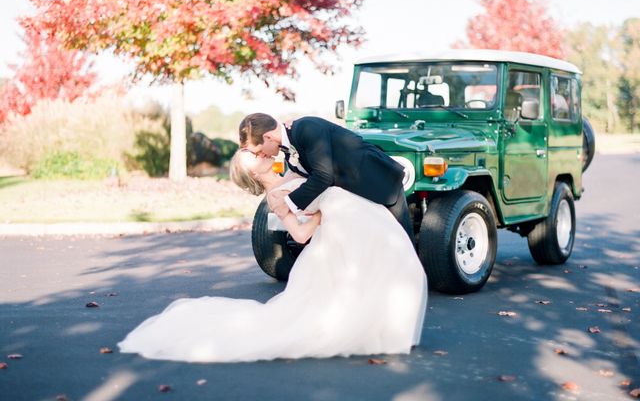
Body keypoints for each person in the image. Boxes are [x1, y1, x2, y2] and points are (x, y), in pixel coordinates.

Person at [117, 151, 427, 362]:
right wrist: (325, 214)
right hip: (343, 230)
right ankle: (379, 331)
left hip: (359, 221)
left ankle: (387, 325)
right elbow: (301, 235)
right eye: (253, 155)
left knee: (395, 270)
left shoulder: (292, 171)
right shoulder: (276, 197)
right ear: (251, 169)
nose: (261, 153)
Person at [238, 113, 414, 241]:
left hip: (378, 181)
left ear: (268, 137)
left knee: (399, 240)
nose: (262, 155)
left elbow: (323, 176)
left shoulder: (307, 127)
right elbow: (304, 174)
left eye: (259, 151)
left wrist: (288, 203)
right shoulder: (289, 152)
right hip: (356, 200)